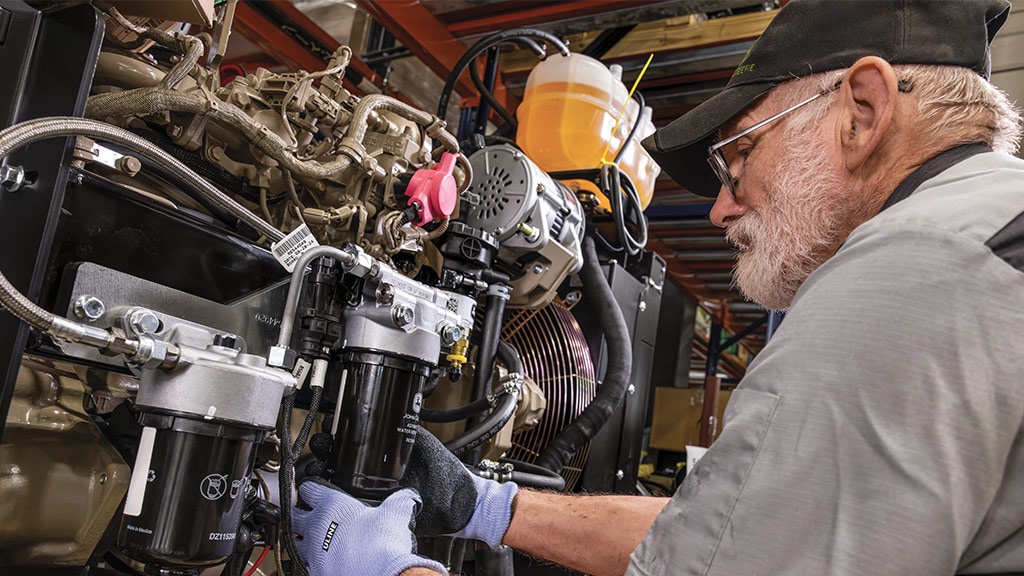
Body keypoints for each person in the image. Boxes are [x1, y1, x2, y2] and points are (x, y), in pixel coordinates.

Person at [291, 0, 1024, 574]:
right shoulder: (977, 230)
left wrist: (385, 569)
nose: (720, 208)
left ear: (861, 112)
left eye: (739, 157)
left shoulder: (911, 269)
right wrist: (486, 505)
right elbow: (721, 540)